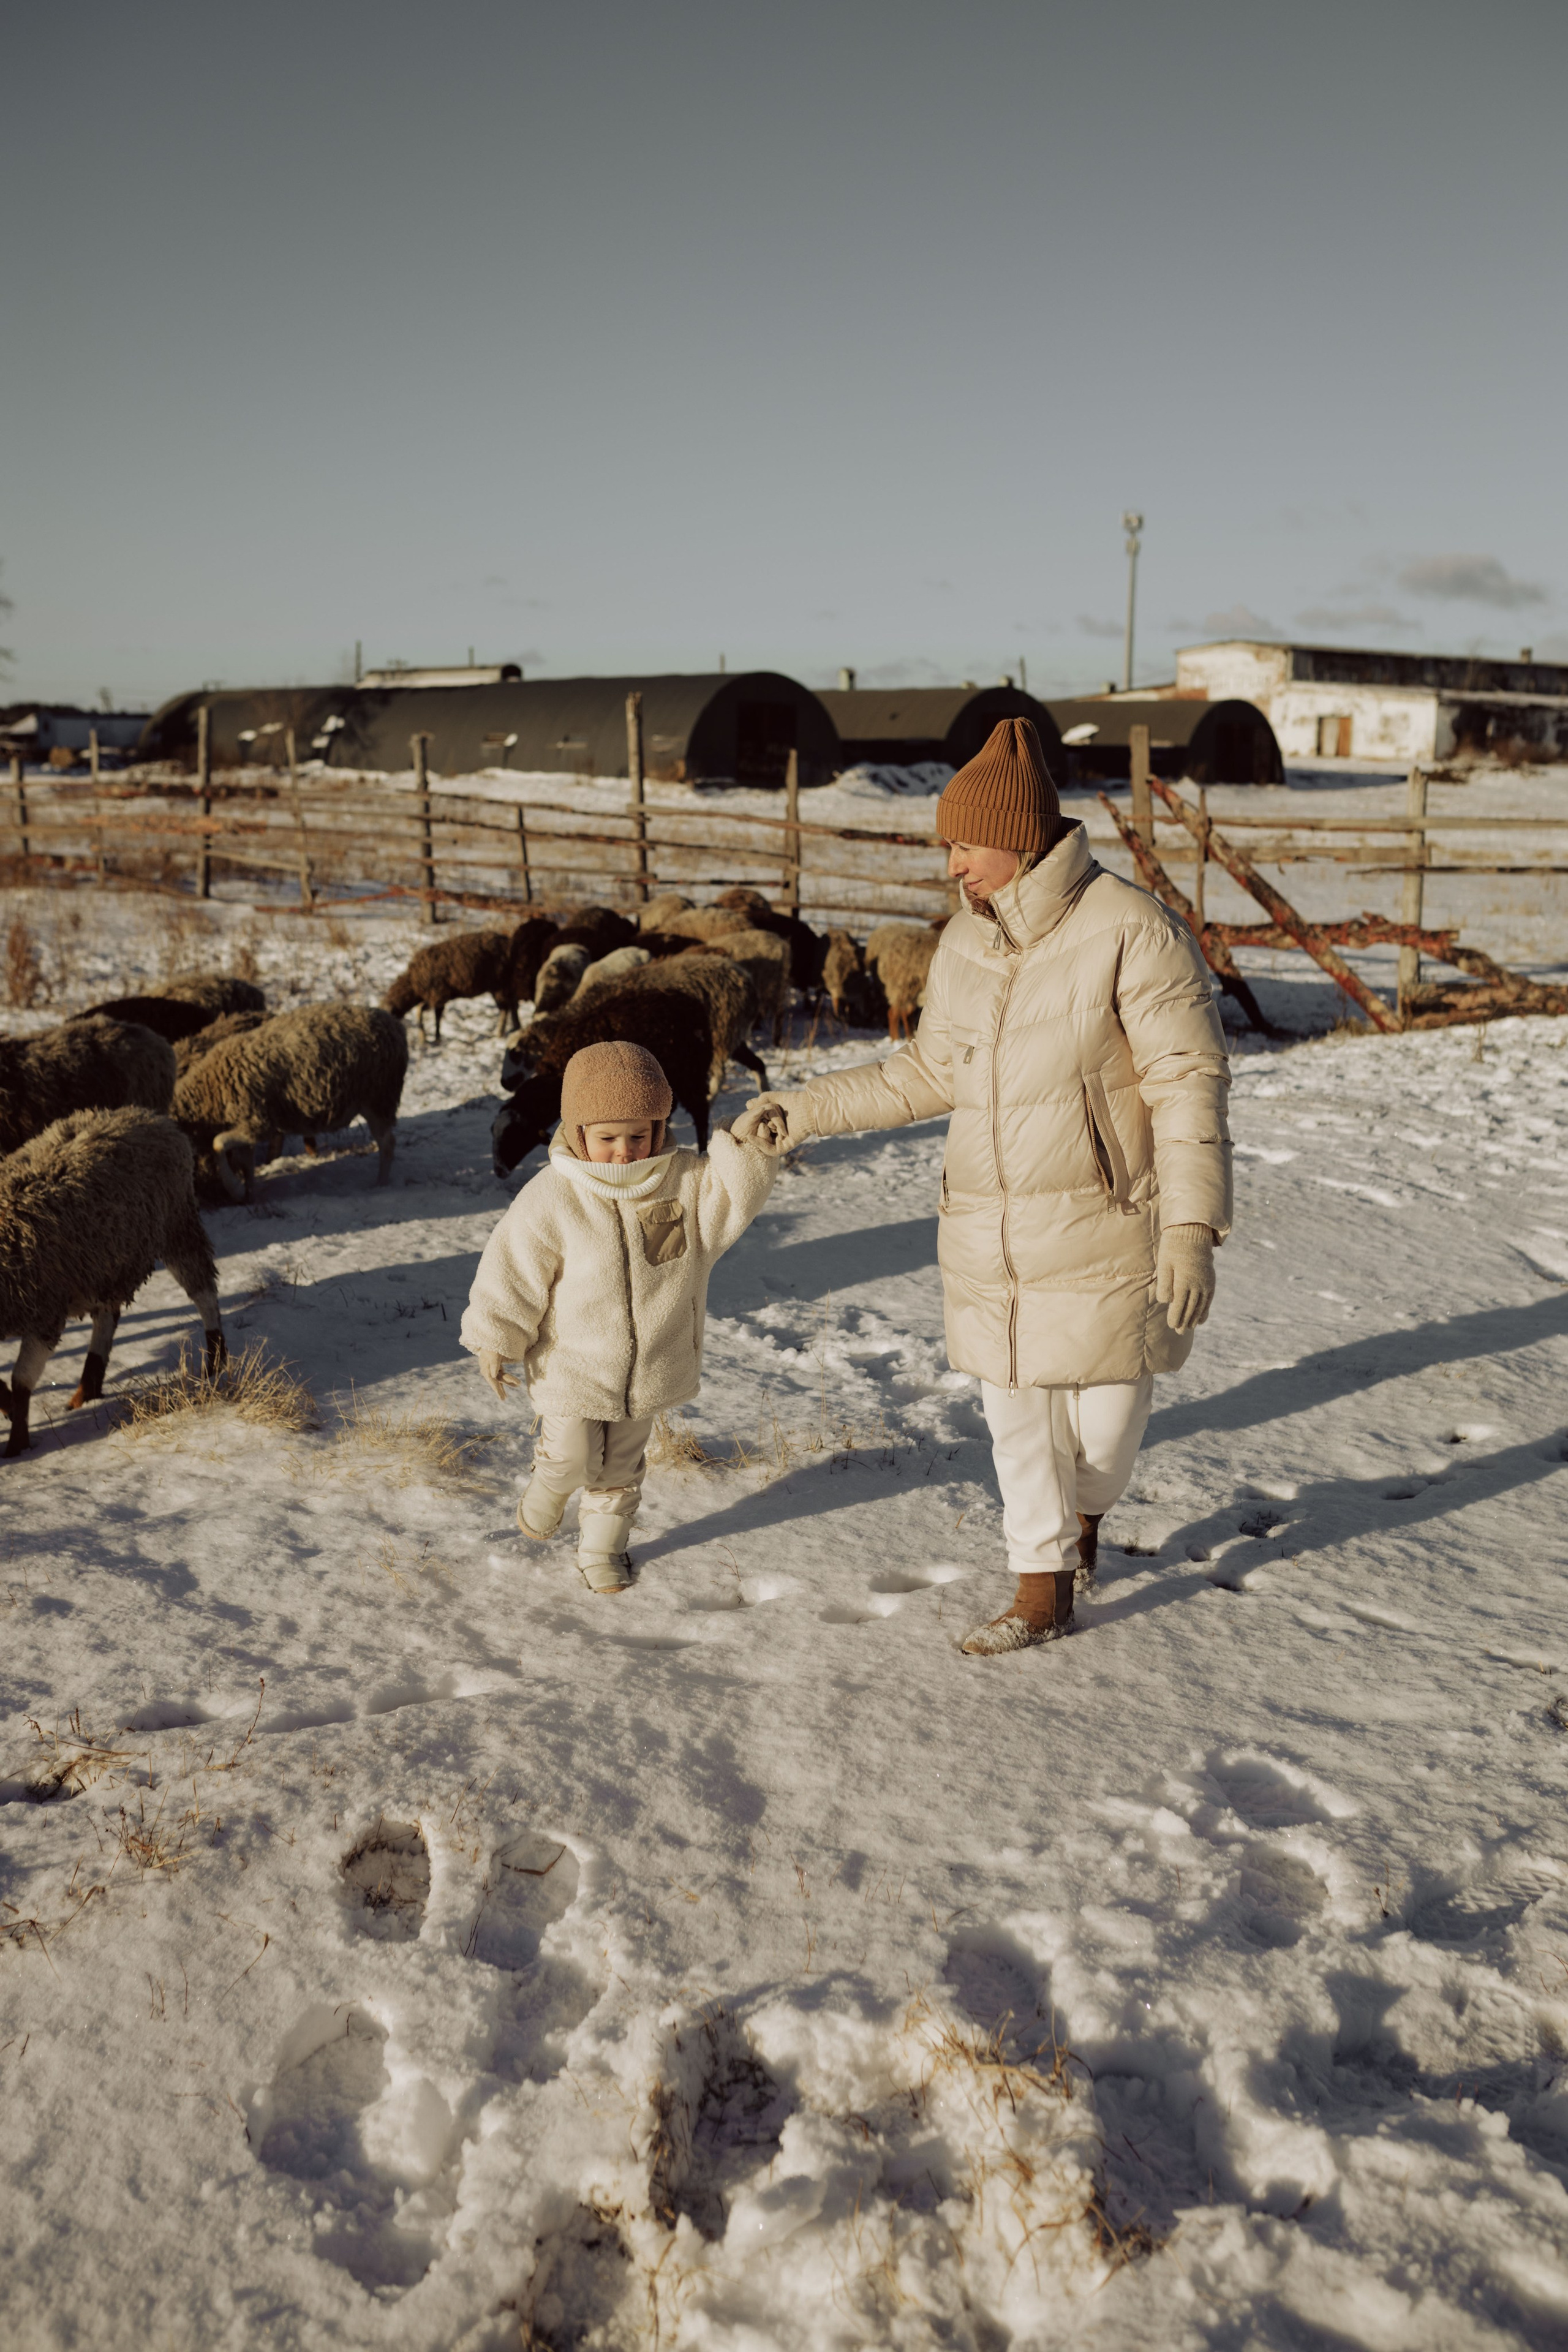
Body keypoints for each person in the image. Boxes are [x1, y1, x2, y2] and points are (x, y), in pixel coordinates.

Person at [734, 717, 1232, 1656]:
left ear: (1023, 837)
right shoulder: (963, 943)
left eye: (967, 845)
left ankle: (1085, 1515)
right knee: (1018, 1422)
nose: (954, 865)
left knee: (1106, 1436)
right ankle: (1040, 1589)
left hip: (1108, 1229)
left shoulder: (1133, 931)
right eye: (948, 847)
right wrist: (805, 1109)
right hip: (987, 1238)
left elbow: (1187, 1086)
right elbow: (924, 1072)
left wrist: (1191, 1227)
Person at [461, 1039, 777, 1593]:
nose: (625, 1151)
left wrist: (748, 1145)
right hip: (571, 1366)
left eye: (639, 1135)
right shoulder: (553, 1195)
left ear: (659, 1128)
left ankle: (602, 1549)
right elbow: (511, 1268)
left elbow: (733, 1194)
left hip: (651, 1365)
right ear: (579, 1131)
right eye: (608, 1138)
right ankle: (551, 1483)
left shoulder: (683, 1182)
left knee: (620, 1469)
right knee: (572, 1456)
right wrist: (495, 1337)